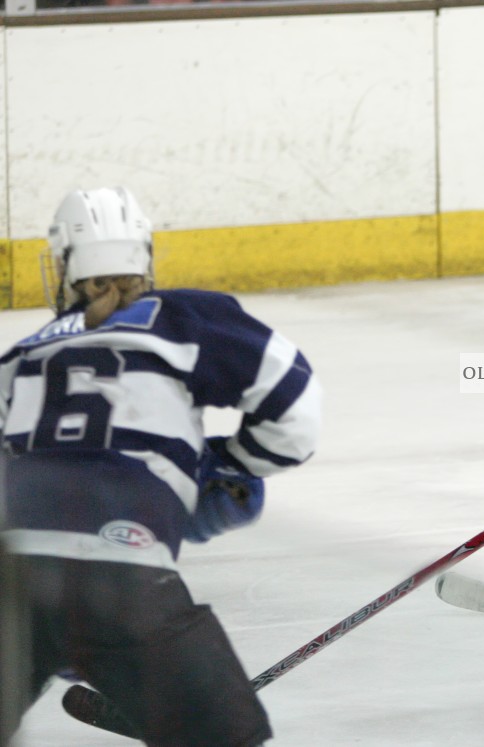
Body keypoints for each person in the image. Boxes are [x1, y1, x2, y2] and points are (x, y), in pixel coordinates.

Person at [0, 187, 322, 746]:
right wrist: (225, 467)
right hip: (121, 579)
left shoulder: (21, 356)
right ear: (143, 258)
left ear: (64, 266)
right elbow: (295, 412)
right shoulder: (184, 319)